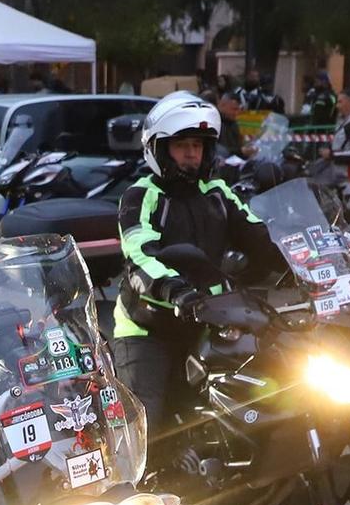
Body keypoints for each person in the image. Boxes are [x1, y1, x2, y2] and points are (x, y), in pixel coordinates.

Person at [112, 92, 288, 475]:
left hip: (211, 318)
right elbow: (140, 255)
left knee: (271, 393)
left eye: (197, 146)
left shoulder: (219, 193)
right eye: (181, 146)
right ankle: (131, 504)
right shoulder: (142, 195)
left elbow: (261, 237)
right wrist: (177, 291)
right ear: (159, 149)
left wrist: (303, 266)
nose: (191, 154)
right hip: (149, 326)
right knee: (145, 424)